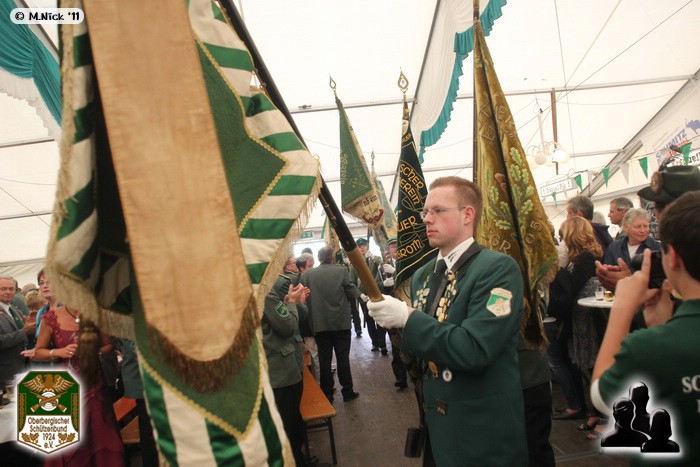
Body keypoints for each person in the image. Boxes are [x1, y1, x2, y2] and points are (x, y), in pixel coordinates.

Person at [367, 176, 527, 465]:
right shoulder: (423, 275)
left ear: (468, 215)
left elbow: (475, 349)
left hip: (480, 432)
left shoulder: (497, 269)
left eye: (439, 210)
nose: (427, 219)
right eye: (425, 212)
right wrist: (396, 324)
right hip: (437, 426)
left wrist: (407, 318)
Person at [591, 191, 700, 465]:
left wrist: (623, 308)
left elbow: (601, 395)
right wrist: (663, 325)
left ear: (672, 258)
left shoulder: (649, 346)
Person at [33, 304, 125, 466]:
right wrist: (58, 352)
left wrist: (95, 352)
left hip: (95, 385)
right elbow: (38, 352)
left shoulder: (97, 314)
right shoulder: (50, 318)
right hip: (65, 390)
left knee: (102, 436)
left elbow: (109, 346)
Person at [596, 165, 700, 292]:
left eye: (657, 206)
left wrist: (631, 284)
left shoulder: (671, 249)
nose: (656, 214)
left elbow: (674, 295)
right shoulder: (678, 245)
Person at [547, 218, 603, 427]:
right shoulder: (580, 258)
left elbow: (571, 287)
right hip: (579, 319)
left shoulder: (586, 258)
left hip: (586, 320)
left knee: (593, 364)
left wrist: (559, 268)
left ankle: (599, 414)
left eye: (564, 235)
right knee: (583, 363)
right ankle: (590, 410)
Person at [300, 246, 360, 403]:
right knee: (343, 358)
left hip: (319, 324)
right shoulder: (342, 271)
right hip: (341, 323)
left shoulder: (306, 275)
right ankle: (347, 392)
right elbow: (352, 292)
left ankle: (327, 393)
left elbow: (302, 298)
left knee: (324, 360)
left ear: (319, 258)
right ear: (333, 257)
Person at [262, 286, 307, 466]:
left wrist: (287, 305)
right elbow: (287, 327)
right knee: (289, 428)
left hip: (268, 370)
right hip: (280, 371)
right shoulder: (263, 289)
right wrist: (293, 303)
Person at [375, 237, 408, 389]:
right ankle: (401, 379)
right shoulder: (383, 267)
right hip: (393, 310)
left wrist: (396, 274)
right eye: (393, 247)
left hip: (408, 309)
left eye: (397, 245)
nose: (395, 249)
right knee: (396, 346)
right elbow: (376, 284)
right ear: (388, 250)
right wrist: (383, 283)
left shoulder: (409, 263)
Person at [351, 238, 387, 353]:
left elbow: (381, 264)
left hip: (376, 294)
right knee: (370, 321)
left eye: (364, 245)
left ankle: (382, 344)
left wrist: (373, 258)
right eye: (359, 246)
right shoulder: (354, 263)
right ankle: (375, 343)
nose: (362, 248)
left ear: (367, 246)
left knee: (380, 319)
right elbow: (352, 282)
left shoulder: (374, 259)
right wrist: (360, 294)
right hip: (365, 297)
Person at [0, 275, 34, 383]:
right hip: (5, 373)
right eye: (3, 289)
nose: (8, 292)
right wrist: (24, 332)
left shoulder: (14, 310)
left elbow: (24, 338)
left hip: (22, 368)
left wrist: (32, 325)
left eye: (11, 289)